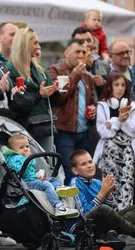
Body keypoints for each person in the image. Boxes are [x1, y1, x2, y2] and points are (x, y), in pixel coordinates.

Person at [48, 38, 96, 185]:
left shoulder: (87, 76)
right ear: (66, 52)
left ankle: (89, 206)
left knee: (87, 173)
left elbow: (91, 101)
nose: (81, 55)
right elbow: (58, 98)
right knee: (71, 172)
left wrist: (93, 110)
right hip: (64, 131)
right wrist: (74, 75)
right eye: (77, 51)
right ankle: (73, 205)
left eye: (84, 52)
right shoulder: (55, 70)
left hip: (84, 131)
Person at [9, 27, 60, 152]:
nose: (38, 45)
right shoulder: (12, 68)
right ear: (25, 44)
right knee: (34, 164)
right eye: (35, 42)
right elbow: (19, 103)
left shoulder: (38, 68)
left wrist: (55, 91)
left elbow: (52, 102)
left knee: (48, 163)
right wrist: (39, 94)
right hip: (25, 127)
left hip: (45, 124)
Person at [3, 134, 79, 217]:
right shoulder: (13, 159)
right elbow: (19, 170)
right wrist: (27, 158)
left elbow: (29, 171)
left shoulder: (26, 157)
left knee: (53, 179)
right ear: (13, 150)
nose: (25, 149)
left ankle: (60, 188)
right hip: (27, 183)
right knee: (47, 185)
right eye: (21, 147)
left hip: (34, 179)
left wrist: (38, 175)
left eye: (27, 146)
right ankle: (58, 207)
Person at [69, 149, 135, 237]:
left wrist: (109, 196)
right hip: (82, 227)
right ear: (75, 170)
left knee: (132, 209)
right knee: (103, 209)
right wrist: (102, 194)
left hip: (102, 224)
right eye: (84, 164)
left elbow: (114, 213)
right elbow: (85, 215)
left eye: (90, 162)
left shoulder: (97, 182)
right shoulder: (74, 184)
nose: (89, 166)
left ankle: (115, 232)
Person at [93, 73, 135, 210]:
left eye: (123, 85)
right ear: (110, 87)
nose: (120, 88)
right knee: (111, 184)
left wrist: (115, 123)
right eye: (116, 85)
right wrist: (118, 120)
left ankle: (125, 215)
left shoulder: (132, 105)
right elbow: (103, 132)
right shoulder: (102, 106)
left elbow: (132, 131)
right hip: (109, 152)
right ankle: (112, 216)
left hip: (128, 150)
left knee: (127, 182)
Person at [71, 26, 110, 99]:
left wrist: (103, 83)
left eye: (88, 40)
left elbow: (113, 90)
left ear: (93, 42)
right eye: (81, 41)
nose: (86, 43)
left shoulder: (103, 65)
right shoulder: (66, 65)